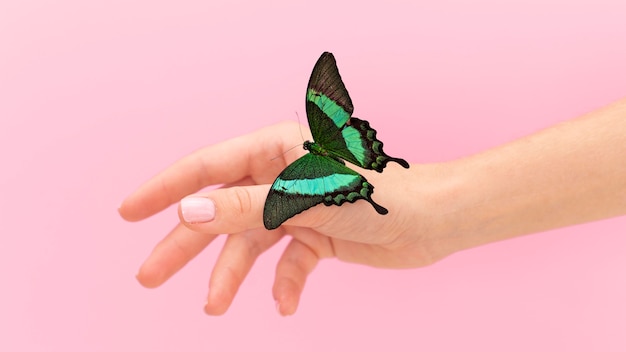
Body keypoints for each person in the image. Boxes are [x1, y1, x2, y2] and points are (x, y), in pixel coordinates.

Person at [118, 97, 626, 316]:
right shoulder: (315, 160)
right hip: (349, 154)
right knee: (348, 165)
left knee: (333, 176)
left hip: (344, 161)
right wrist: (437, 221)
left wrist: (436, 215)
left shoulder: (307, 173)